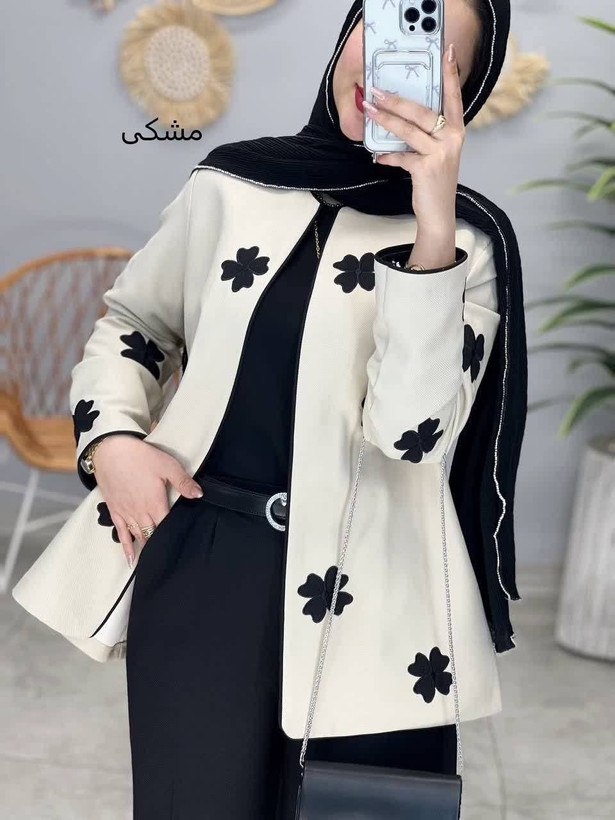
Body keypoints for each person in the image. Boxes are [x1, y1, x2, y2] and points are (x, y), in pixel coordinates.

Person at [64, 1, 527, 817]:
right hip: (205, 566)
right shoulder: (231, 185)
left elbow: (409, 436)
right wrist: (112, 442)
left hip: (380, 592)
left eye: (430, 52)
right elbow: (134, 323)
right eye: (381, 24)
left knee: (359, 805)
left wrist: (432, 225)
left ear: (464, 88)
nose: (384, 65)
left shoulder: (469, 243)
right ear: (347, 33)